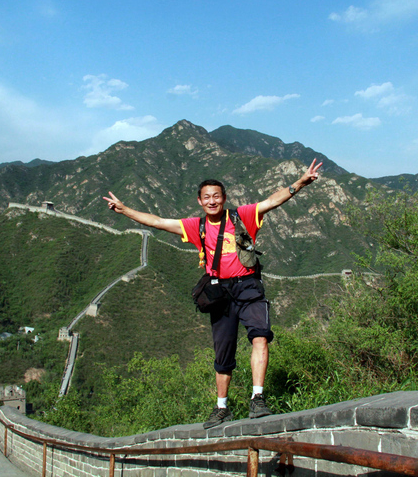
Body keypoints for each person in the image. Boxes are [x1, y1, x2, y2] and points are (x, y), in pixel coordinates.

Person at [103, 158, 323, 428]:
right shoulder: (197, 227)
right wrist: (125, 210)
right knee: (223, 353)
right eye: (206, 197)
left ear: (224, 198)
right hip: (220, 293)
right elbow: (158, 222)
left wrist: (300, 183)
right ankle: (221, 407)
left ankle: (258, 398)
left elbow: (272, 201)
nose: (212, 201)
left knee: (260, 337)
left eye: (216, 196)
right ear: (199, 201)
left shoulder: (242, 216)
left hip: (249, 286)